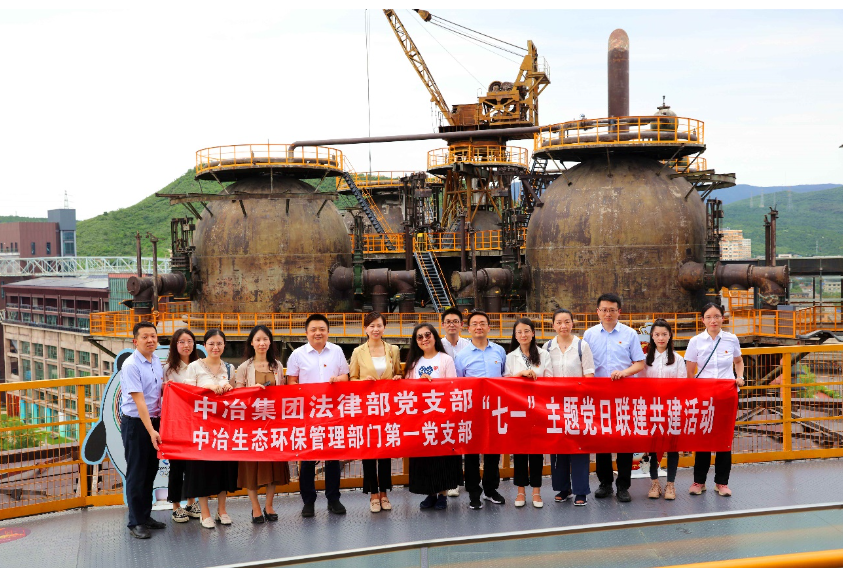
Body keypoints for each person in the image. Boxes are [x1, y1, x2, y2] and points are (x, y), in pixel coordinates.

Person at [582, 293, 645, 503]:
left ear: (619, 311)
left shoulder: (630, 334)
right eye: (604, 310)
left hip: (624, 395)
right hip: (598, 396)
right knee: (602, 441)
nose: (607, 314)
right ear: (597, 311)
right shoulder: (589, 335)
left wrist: (624, 373)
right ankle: (605, 483)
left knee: (624, 441)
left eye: (612, 310)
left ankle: (623, 486)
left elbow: (639, 363)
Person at [286, 313, 350, 517]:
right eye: (313, 329)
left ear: (328, 332)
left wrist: (337, 379)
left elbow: (346, 376)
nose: (318, 333)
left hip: (332, 411)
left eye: (322, 329)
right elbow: (291, 382)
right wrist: (304, 392)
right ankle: (308, 501)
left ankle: (333, 499)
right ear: (306, 333)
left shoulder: (337, 351)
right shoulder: (297, 354)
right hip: (308, 412)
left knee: (333, 456)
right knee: (307, 458)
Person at [684, 303, 744, 497]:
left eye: (717, 316)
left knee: (724, 439)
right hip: (704, 396)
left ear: (722, 318)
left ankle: (722, 483)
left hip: (726, 394)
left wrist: (740, 377)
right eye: (709, 317)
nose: (713, 320)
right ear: (702, 320)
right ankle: (699, 481)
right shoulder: (695, 341)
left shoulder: (731, 339)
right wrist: (693, 392)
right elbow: (690, 371)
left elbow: (738, 361)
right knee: (703, 438)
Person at [182, 329, 240, 529]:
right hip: (202, 427)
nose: (216, 347)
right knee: (202, 469)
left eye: (219, 343)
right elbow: (188, 394)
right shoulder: (194, 367)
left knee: (224, 468)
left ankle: (222, 510)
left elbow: (235, 396)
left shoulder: (230, 368)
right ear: (204, 345)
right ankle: (205, 512)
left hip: (223, 426)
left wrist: (229, 389)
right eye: (211, 343)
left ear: (224, 345)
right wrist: (207, 389)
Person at [233, 325, 289, 524]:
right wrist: (251, 392)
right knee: (252, 468)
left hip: (273, 424)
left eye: (265, 339)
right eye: (258, 339)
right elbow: (237, 396)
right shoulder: (244, 367)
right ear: (251, 343)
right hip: (252, 425)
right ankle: (255, 507)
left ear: (270, 342)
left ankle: (269, 505)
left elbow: (284, 394)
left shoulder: (277, 366)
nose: (262, 343)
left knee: (273, 467)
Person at [404, 322, 462, 510]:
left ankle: (443, 494)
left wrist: (433, 384)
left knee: (442, 456)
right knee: (425, 457)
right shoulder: (414, 362)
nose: (424, 339)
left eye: (427, 335)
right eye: (419, 337)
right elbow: (407, 390)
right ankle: (430, 493)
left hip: (442, 416)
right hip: (420, 417)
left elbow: (452, 387)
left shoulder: (445, 359)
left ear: (435, 336)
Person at [349, 312, 402, 513]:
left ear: (384, 327)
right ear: (365, 329)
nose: (375, 329)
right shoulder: (358, 352)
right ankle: (373, 494)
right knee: (370, 451)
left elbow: (398, 373)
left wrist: (397, 378)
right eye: (371, 326)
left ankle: (384, 493)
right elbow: (352, 378)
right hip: (367, 408)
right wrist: (362, 382)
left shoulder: (393, 350)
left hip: (387, 407)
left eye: (379, 325)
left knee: (386, 451)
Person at [543, 308, 596, 506]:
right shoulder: (548, 347)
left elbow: (589, 374)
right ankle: (563, 488)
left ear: (573, 323)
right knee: (558, 447)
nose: (563, 326)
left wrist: (579, 396)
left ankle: (581, 491)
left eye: (567, 322)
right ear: (553, 325)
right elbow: (545, 375)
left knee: (579, 448)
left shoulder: (582, 346)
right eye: (559, 322)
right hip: (555, 405)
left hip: (578, 404)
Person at [455, 310, 507, 510]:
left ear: (489, 327)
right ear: (468, 329)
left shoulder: (499, 351)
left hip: (495, 409)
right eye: (475, 324)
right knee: (472, 453)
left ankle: (491, 489)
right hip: (472, 410)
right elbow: (458, 383)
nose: (479, 327)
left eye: (482, 323)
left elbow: (504, 377)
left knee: (493, 451)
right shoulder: (462, 356)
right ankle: (474, 492)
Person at [121, 321, 165, 539]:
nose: (150, 340)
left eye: (153, 336)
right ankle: (135, 522)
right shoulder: (131, 365)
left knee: (150, 471)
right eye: (145, 337)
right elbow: (140, 402)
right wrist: (151, 431)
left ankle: (145, 516)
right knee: (137, 473)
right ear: (135, 341)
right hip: (137, 424)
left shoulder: (156, 360)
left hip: (154, 422)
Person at [505, 317, 552, 508]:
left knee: (536, 451)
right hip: (518, 409)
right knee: (520, 451)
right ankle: (520, 491)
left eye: (526, 331)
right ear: (515, 336)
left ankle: (537, 492)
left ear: (533, 333)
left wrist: (535, 380)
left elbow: (550, 379)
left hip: (538, 408)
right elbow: (505, 382)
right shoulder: (511, 356)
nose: (523, 335)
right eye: (519, 332)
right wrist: (520, 374)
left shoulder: (543, 354)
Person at [640, 319, 686, 501]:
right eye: (657, 334)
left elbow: (682, 385)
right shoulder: (645, 360)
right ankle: (654, 482)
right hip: (652, 409)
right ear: (652, 336)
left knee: (672, 446)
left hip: (671, 408)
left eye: (664, 334)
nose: (661, 338)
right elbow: (640, 384)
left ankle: (670, 484)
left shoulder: (677, 359)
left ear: (670, 336)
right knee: (652, 447)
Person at [162, 328, 201, 523]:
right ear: (175, 345)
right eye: (182, 342)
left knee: (194, 465)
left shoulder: (201, 366)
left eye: (189, 341)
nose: (186, 345)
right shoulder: (168, 369)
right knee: (176, 465)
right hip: (176, 424)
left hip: (196, 423)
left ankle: (191, 502)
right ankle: (176, 505)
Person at [440, 307, 470, 498]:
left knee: (464, 438)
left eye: (455, 321)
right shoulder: (437, 344)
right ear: (443, 325)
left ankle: (464, 479)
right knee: (448, 439)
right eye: (448, 321)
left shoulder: (468, 345)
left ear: (461, 324)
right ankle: (451, 481)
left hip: (464, 397)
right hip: (443, 399)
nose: (452, 325)